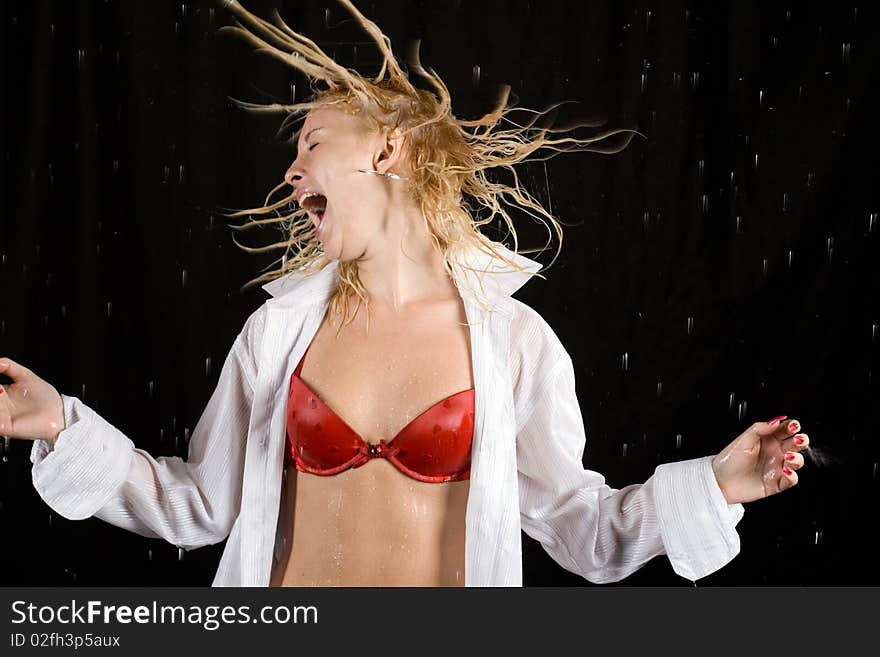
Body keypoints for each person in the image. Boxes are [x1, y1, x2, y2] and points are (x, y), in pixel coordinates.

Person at [1, 0, 810, 587]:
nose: (290, 172)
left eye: (312, 142)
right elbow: (199, 507)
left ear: (388, 148)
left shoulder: (514, 342)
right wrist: (60, 426)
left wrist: (712, 484)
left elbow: (585, 531)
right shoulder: (277, 335)